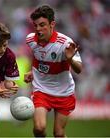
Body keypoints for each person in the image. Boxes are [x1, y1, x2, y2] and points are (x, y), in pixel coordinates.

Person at [24, 5, 82, 138]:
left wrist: (70, 60)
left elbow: (79, 70)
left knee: (59, 134)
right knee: (39, 128)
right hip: (41, 91)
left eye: (42, 25)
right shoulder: (30, 40)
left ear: (52, 24)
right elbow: (38, 58)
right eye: (35, 25)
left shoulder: (65, 43)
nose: (38, 29)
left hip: (64, 93)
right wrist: (31, 71)